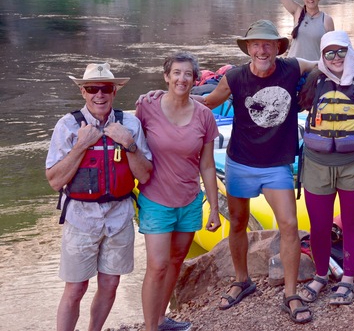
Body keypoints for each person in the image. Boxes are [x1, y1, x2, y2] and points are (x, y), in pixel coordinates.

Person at [198, 19, 316, 324]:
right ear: (248, 49)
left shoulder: (291, 68)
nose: (262, 50)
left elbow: (326, 60)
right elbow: (207, 103)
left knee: (289, 225)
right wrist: (167, 98)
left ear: (277, 47)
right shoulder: (236, 77)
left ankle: (290, 294)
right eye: (256, 45)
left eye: (268, 44)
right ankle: (243, 280)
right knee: (237, 222)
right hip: (240, 162)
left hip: (276, 165)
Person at [45, 63, 153, 331]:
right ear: (83, 91)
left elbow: (146, 175)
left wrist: (128, 144)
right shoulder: (68, 125)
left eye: (105, 88)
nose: (99, 95)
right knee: (76, 287)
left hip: (119, 215)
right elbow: (55, 180)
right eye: (93, 89)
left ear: (114, 91)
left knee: (111, 283)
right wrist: (82, 144)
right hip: (81, 217)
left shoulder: (130, 124)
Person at [296, 30, 354, 306]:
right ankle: (321, 275)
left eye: (341, 51)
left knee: (352, 221)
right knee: (319, 225)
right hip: (316, 165)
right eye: (329, 53)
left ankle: (347, 279)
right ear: (322, 56)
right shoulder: (313, 81)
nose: (336, 58)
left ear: (350, 51)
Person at [136, 52, 221, 331]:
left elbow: (207, 165)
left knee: (175, 261)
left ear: (195, 80)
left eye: (187, 74)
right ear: (166, 76)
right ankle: (150, 328)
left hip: (189, 199)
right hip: (155, 199)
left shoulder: (205, 116)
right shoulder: (147, 107)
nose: (181, 79)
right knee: (157, 265)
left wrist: (215, 207)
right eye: (176, 73)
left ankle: (160, 319)